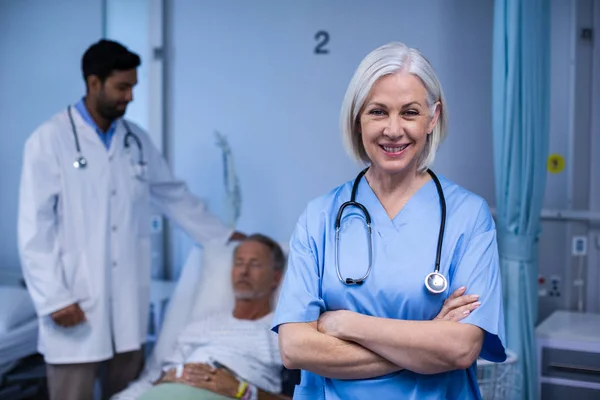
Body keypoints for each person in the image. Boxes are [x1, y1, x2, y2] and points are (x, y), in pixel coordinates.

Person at [272, 42, 507, 400]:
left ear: (433, 118)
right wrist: (426, 342)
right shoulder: (319, 217)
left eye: (410, 112)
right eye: (378, 112)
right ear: (357, 119)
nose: (393, 130)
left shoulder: (469, 217)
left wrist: (345, 324)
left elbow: (460, 349)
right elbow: (294, 349)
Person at [17, 39, 244, 400]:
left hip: (126, 308)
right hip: (73, 304)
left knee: (128, 393)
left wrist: (226, 236)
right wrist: (54, 298)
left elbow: (174, 196)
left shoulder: (135, 141)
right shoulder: (49, 140)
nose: (130, 96)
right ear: (94, 83)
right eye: (122, 87)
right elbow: (34, 229)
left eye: (133, 86)